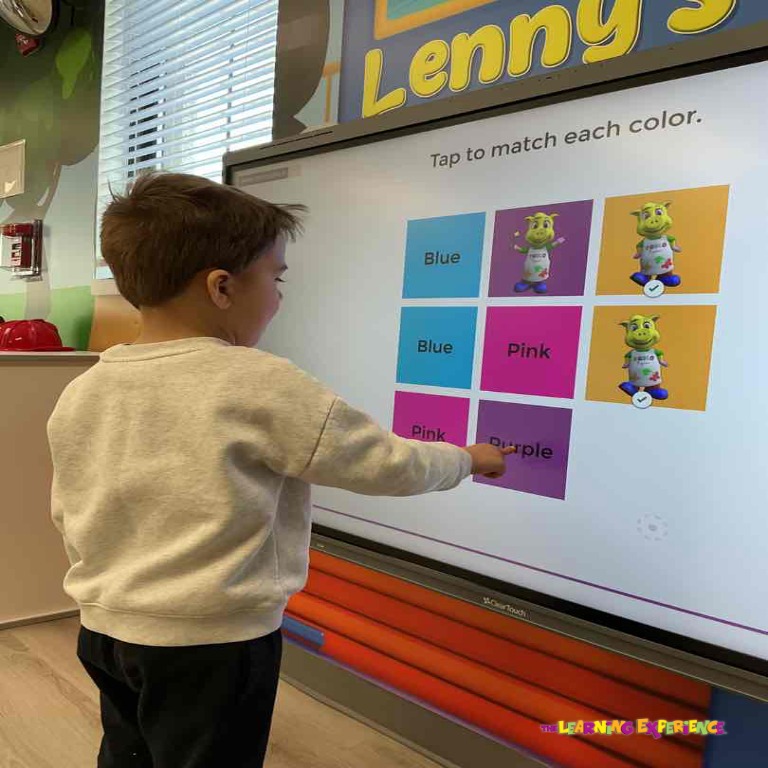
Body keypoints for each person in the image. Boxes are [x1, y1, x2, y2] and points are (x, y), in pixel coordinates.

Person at [47, 173, 514, 768]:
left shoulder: (86, 388)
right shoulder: (258, 382)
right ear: (221, 287)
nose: (279, 296)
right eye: (277, 277)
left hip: (105, 629)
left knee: (129, 753)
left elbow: (69, 508)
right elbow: (383, 463)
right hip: (212, 640)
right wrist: (466, 459)